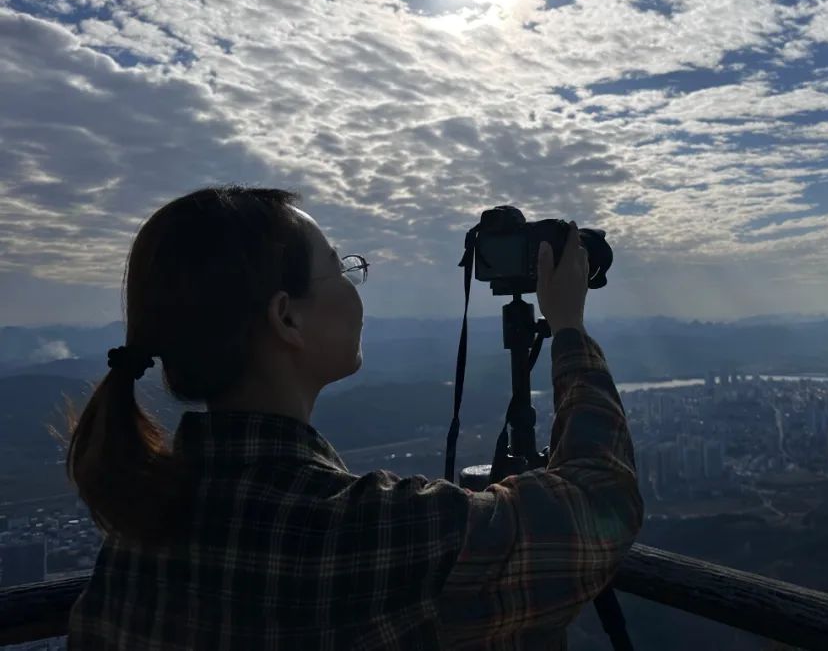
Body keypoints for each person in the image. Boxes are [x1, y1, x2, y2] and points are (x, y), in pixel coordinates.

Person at [62, 184, 643, 650]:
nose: (355, 286)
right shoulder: (361, 530)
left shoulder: (133, 539)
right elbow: (602, 503)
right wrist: (568, 327)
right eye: (339, 268)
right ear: (287, 319)